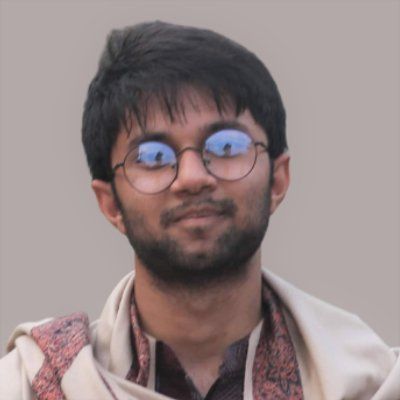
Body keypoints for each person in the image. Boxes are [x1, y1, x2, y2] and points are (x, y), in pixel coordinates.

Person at [0, 21, 399, 400]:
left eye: (226, 146)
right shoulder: (35, 385)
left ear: (277, 180)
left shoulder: (369, 382)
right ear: (110, 203)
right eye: (153, 156)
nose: (192, 178)